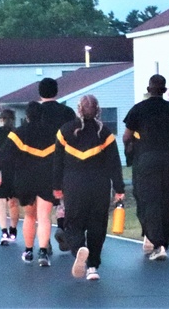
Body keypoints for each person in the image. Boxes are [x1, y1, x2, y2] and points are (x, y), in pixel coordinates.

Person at [53, 95, 125, 282]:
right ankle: (93, 266)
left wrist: (56, 187)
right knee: (97, 226)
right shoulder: (105, 133)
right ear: (98, 110)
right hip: (99, 186)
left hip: (74, 185)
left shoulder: (65, 131)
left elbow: (58, 162)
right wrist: (119, 188)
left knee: (73, 224)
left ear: (79, 109)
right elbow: (114, 164)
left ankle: (79, 249)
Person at [122, 74, 169, 261]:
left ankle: (156, 242)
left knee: (148, 201)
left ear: (148, 89)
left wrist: (131, 151)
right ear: (165, 90)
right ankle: (164, 241)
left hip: (146, 160)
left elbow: (126, 137)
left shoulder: (137, 110)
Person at [0, 102, 56, 266]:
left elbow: (4, 155)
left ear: (27, 116)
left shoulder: (19, 134)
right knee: (44, 217)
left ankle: (28, 251)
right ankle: (43, 252)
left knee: (30, 216)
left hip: (25, 179)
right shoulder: (53, 134)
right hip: (47, 178)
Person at [37, 76, 76, 250]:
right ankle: (61, 226)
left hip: (41, 161)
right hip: (65, 161)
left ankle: (45, 242)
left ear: (40, 92)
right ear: (57, 91)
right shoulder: (67, 113)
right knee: (63, 199)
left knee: (43, 205)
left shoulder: (36, 112)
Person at [0, 108, 20, 246]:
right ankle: (12, 229)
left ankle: (4, 232)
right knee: (13, 202)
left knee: (0, 201)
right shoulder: (17, 133)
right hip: (14, 170)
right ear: (13, 119)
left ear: (1, 119)